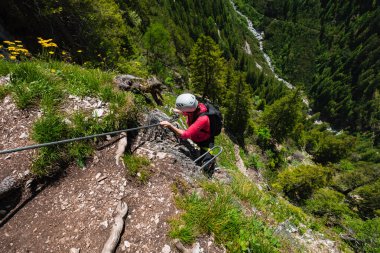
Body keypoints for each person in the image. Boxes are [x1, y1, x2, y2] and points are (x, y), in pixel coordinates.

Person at [160, 93, 215, 177]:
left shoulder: (203, 119)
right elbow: (190, 113)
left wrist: (170, 126)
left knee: (206, 167)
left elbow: (186, 134)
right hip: (197, 137)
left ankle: (211, 164)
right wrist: (180, 111)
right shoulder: (196, 107)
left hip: (205, 142)